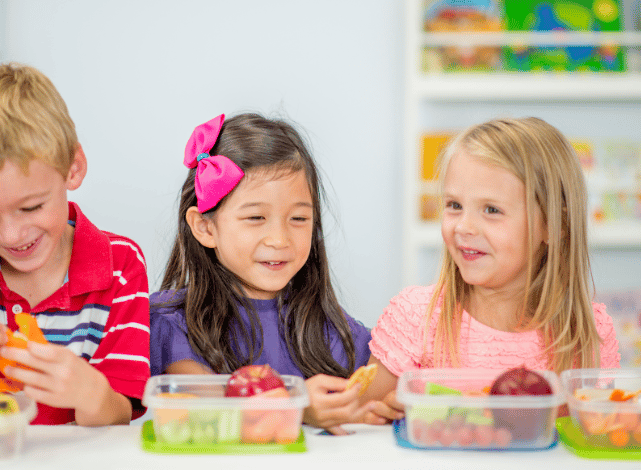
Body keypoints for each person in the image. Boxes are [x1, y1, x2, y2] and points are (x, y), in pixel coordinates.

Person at [361, 117, 620, 422]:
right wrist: (386, 412)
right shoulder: (415, 316)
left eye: (492, 210)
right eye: (454, 205)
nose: (464, 226)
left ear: (554, 225)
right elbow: (362, 420)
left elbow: (600, 430)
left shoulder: (587, 332)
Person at [0, 63, 150, 425]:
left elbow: (119, 415)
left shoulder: (121, 265)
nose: (11, 235)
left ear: (73, 167)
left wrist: (90, 393)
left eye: (31, 207)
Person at [150, 113, 375, 433]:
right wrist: (296, 405)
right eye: (256, 217)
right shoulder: (174, 323)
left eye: (298, 219)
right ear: (205, 226)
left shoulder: (329, 327)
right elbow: (210, 411)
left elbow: (378, 389)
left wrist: (375, 404)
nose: (280, 239)